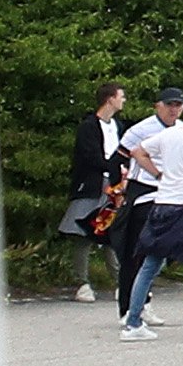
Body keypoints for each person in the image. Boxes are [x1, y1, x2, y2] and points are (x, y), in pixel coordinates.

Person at [116, 91, 183, 341]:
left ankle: (133, 323)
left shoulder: (170, 132)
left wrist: (158, 174)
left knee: (150, 263)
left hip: (162, 202)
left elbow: (137, 152)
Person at [62, 83, 130, 305]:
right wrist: (111, 168)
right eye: (121, 96)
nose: (124, 100)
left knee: (111, 233)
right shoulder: (88, 127)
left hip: (113, 185)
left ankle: (121, 283)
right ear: (110, 99)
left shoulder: (118, 126)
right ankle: (81, 283)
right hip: (93, 184)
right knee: (84, 233)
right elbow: (90, 157)